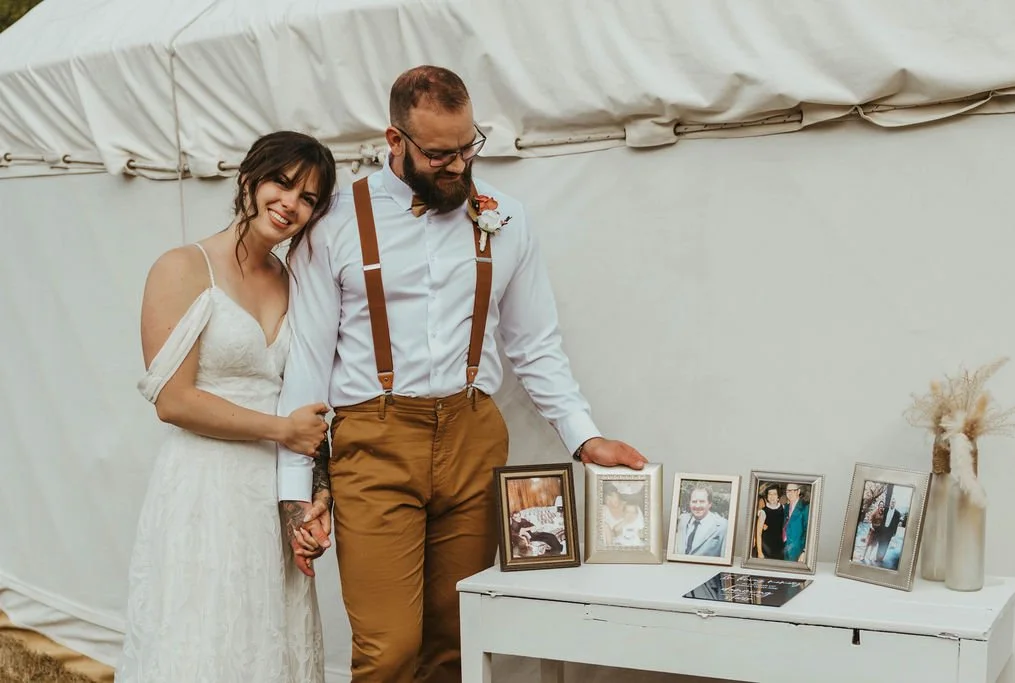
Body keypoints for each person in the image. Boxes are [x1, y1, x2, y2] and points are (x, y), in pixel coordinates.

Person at [275, 64, 646, 683]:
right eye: (440, 154)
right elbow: (308, 361)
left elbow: (535, 345)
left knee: (454, 641)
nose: (458, 165)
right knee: (388, 651)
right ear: (395, 141)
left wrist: (584, 437)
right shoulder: (333, 221)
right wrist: (296, 494)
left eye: (468, 146)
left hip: (474, 437)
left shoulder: (507, 218)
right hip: (374, 442)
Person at [115, 131, 338, 683]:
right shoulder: (183, 267)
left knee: (268, 638)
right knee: (203, 635)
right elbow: (174, 400)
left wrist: (315, 493)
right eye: (282, 184)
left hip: (273, 487)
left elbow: (308, 397)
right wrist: (281, 430)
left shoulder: (294, 280)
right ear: (248, 180)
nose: (290, 204)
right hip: (204, 485)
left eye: (308, 198)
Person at [675, 484, 728, 557]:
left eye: (702, 501)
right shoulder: (682, 520)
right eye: (694, 501)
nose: (697, 506)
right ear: (689, 503)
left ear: (709, 504)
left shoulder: (722, 526)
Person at [755, 485, 785, 560]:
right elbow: (758, 533)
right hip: (766, 548)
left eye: (774, 494)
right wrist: (759, 552)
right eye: (770, 494)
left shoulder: (784, 508)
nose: (772, 496)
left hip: (781, 548)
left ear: (778, 496)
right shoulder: (763, 512)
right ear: (767, 496)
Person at [782, 483, 809, 562]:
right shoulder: (786, 507)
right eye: (788, 491)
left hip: (798, 551)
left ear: (798, 491)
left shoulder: (805, 507)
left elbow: (808, 530)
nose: (790, 493)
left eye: (793, 490)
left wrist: (805, 551)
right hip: (785, 549)